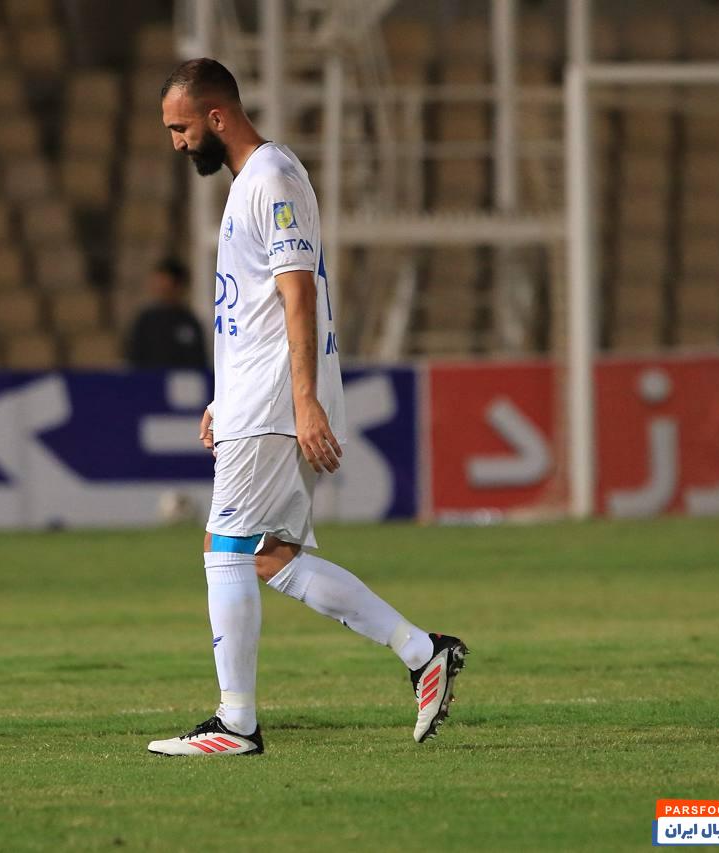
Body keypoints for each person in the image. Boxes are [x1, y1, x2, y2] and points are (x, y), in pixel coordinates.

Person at [147, 58, 467, 757]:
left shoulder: (271, 178)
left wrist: (301, 401)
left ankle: (236, 724)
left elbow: (298, 293)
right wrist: (224, 396)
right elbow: (254, 308)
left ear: (217, 117)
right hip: (257, 397)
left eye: (181, 127)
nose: (176, 142)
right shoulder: (255, 181)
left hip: (274, 403)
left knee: (225, 549)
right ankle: (423, 653)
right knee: (272, 558)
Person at [125, 258, 208, 369]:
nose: (159, 287)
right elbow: (133, 359)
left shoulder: (190, 322)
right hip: (150, 378)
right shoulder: (145, 321)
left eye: (164, 283)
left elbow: (198, 362)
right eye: (157, 282)